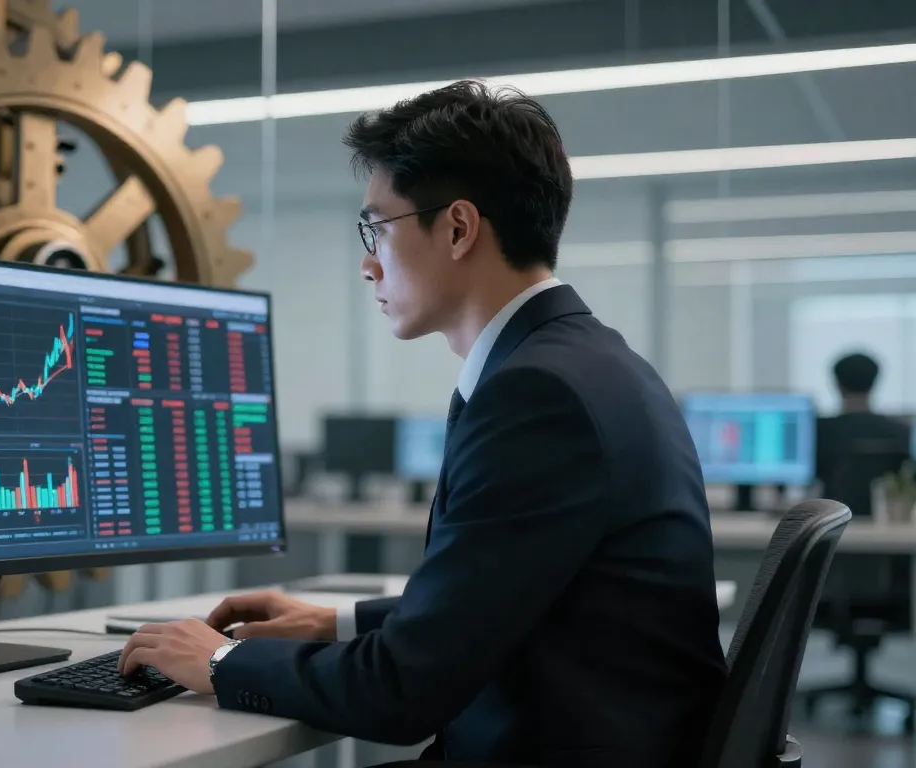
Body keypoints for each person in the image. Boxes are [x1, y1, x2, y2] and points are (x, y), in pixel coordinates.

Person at [117, 80, 727, 767]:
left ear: (459, 228)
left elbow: (402, 692)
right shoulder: (589, 363)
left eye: (376, 227)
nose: (367, 262)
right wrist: (333, 621)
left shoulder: (537, 394)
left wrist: (222, 662)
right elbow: (506, 602)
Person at [815, 352, 914, 516]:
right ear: (875, 383)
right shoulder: (902, 432)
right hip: (887, 522)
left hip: (830, 522)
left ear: (838, 384)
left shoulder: (819, 431)